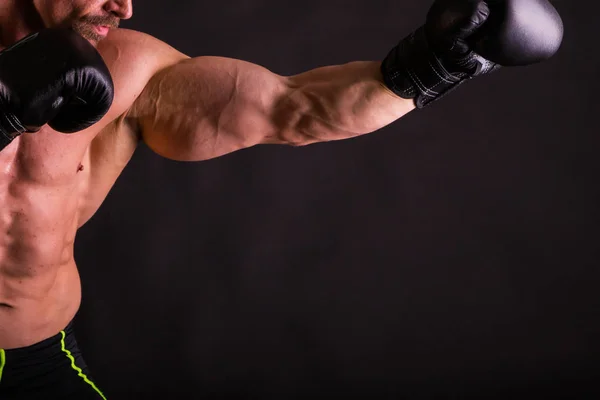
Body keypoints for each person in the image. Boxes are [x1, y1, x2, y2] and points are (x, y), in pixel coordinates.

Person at [0, 0, 563, 398]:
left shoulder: (127, 66)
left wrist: (430, 65)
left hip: (34, 361)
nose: (123, 6)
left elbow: (292, 108)